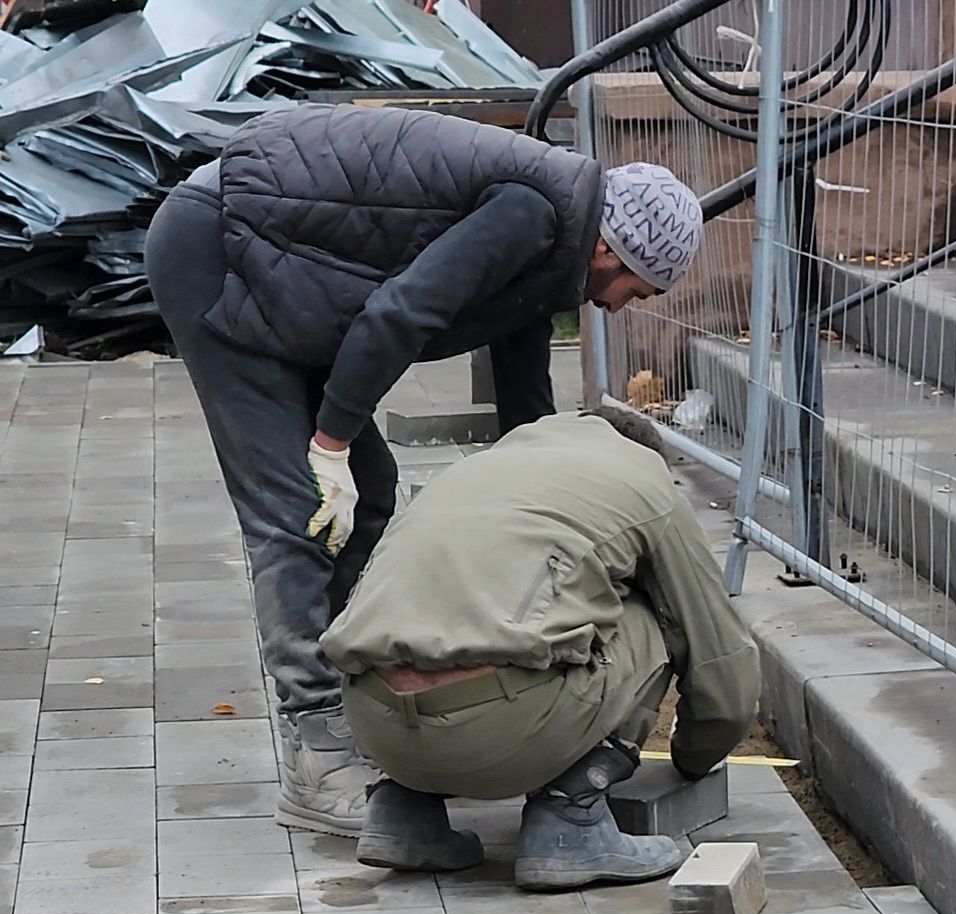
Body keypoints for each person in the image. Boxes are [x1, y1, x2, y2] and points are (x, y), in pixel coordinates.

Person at [145, 102, 703, 836]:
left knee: (369, 497)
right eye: (640, 288)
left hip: (289, 273)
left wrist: (550, 511)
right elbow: (401, 313)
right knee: (298, 510)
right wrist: (331, 443)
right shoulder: (531, 212)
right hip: (222, 247)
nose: (626, 308)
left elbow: (525, 408)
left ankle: (361, 707)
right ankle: (316, 745)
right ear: (610, 247)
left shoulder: (553, 245)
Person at [319, 407, 760, 890]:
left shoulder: (472, 471)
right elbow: (718, 656)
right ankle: (571, 823)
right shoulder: (644, 481)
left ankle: (403, 811)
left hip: (373, 723)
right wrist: (695, 759)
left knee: (431, 613)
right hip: (501, 730)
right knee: (657, 612)